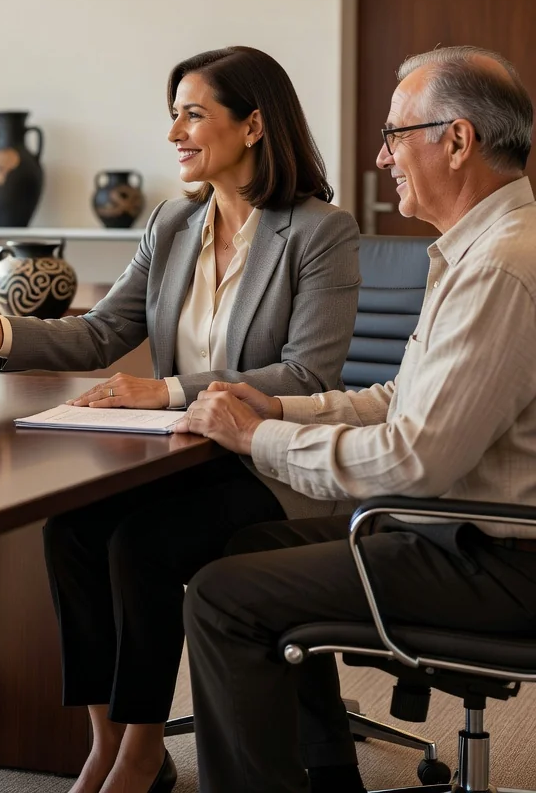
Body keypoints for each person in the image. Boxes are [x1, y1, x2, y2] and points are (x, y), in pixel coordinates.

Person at [0, 47, 360, 793]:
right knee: (71, 528)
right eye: (173, 114)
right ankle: (107, 743)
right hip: (183, 459)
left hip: (274, 462)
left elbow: (305, 375)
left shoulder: (320, 232)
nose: (174, 133)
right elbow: (100, 334)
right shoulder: (173, 224)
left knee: (143, 543)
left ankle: (140, 750)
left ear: (255, 124)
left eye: (193, 113)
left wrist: (165, 391)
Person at [178, 46, 536, 793]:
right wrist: (277, 404)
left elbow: (415, 459)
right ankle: (328, 772)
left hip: (495, 558)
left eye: (396, 135)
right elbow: (399, 398)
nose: (381, 157)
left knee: (222, 598)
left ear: (458, 140)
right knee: (251, 544)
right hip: (465, 533)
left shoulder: (502, 266)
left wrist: (256, 438)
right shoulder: (480, 250)